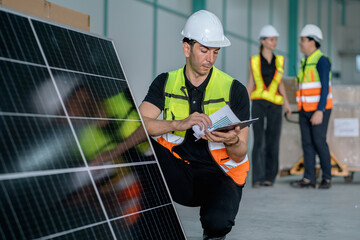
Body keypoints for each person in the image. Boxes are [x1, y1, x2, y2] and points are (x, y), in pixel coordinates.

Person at [139, 10, 250, 240]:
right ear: (187, 48)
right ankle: (145, 220)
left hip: (217, 174)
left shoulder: (234, 89)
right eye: (204, 50)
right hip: (178, 170)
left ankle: (213, 228)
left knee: (218, 223)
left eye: (215, 52)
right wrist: (180, 123)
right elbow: (140, 125)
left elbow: (240, 155)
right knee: (138, 147)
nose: (210, 59)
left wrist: (233, 140)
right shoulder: (165, 82)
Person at [246, 25, 291, 188]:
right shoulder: (254, 61)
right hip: (258, 103)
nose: (274, 43)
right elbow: (250, 83)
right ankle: (257, 177)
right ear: (263, 41)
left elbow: (281, 84)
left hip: (275, 105)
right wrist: (243, 103)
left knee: (273, 140)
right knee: (259, 140)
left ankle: (269, 177)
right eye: (271, 40)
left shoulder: (280, 61)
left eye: (275, 40)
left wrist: (286, 103)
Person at [290, 24, 333, 189]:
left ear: (312, 41)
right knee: (307, 143)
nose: (300, 43)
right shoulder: (305, 61)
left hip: (319, 110)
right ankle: (309, 178)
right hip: (304, 110)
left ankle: (327, 178)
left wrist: (320, 111)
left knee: (319, 142)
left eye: (303, 40)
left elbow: (324, 88)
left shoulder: (322, 61)